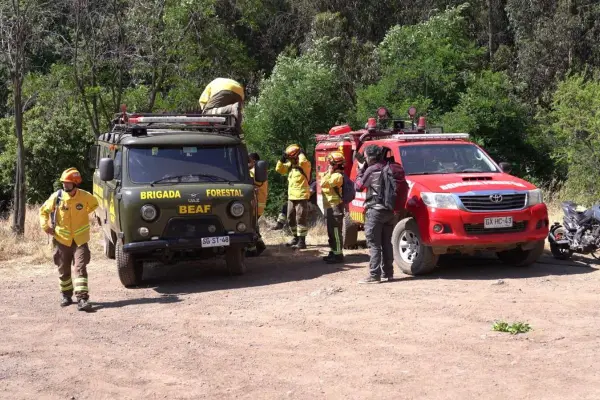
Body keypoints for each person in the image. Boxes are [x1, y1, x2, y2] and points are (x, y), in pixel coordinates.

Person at [39, 168, 99, 310]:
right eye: (64, 183)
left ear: (75, 183)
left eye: (68, 183)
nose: (65, 186)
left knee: (80, 268)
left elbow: (95, 204)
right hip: (62, 240)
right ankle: (66, 296)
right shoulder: (57, 197)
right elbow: (43, 211)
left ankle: (82, 299)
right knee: (63, 269)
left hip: (80, 240)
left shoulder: (85, 196)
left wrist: (85, 212)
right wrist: (45, 226)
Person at [355, 145, 407, 284]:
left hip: (375, 211)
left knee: (374, 244)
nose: (364, 158)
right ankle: (388, 273)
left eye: (365, 156)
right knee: (386, 243)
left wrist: (360, 171)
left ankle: (374, 275)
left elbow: (358, 186)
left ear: (370, 157)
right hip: (390, 211)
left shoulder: (372, 169)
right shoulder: (389, 167)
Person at [275, 144, 311, 249]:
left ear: (297, 156)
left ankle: (302, 241)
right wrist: (282, 159)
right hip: (291, 197)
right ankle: (295, 237)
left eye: (291, 157)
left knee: (301, 219)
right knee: (290, 218)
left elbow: (303, 160)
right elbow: (279, 169)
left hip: (301, 196)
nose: (290, 160)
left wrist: (299, 153)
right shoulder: (291, 165)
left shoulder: (305, 164)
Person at [320, 151, 345, 264]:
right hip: (329, 207)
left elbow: (323, 183)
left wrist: (329, 172)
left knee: (335, 232)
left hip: (335, 208)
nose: (328, 165)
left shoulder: (338, 176)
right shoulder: (331, 174)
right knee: (330, 231)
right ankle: (333, 251)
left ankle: (338, 254)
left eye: (330, 163)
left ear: (335, 165)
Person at [247, 152, 268, 256]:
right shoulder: (254, 171)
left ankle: (252, 250)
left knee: (249, 226)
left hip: (255, 204)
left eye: (248, 160)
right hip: (255, 204)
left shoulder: (254, 172)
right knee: (253, 226)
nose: (246, 162)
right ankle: (260, 245)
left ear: (254, 161)